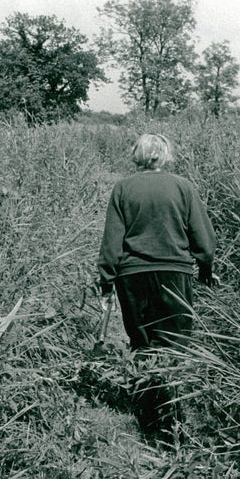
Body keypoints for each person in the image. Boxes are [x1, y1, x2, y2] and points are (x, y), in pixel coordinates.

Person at [97, 133, 216, 437]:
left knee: (142, 342)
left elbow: (112, 240)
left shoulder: (123, 188)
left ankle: (149, 417)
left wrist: (107, 282)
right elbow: (203, 238)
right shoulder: (183, 187)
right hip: (174, 274)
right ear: (163, 156)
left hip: (132, 276)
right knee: (174, 346)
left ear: (139, 155)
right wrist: (205, 268)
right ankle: (173, 420)